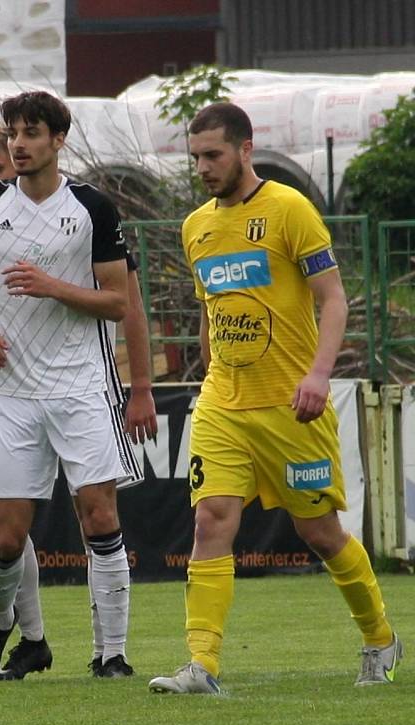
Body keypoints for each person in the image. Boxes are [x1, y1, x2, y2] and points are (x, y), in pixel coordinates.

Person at [148, 102, 402, 695]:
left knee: (320, 534)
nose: (203, 167)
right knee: (210, 520)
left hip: (291, 405)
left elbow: (333, 299)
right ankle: (202, 665)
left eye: (213, 155)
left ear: (244, 148)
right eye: (195, 158)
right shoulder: (196, 227)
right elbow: (211, 304)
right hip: (223, 405)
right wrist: (211, 360)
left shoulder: (290, 209)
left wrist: (318, 376)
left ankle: (379, 636)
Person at [0, 123, 157, 679]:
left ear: (58, 141)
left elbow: (124, 304)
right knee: (5, 536)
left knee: (99, 516)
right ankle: (8, 625)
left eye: (25, 140)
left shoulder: (91, 209)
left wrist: (140, 387)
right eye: (4, 150)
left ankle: (111, 654)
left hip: (83, 388)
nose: (13, 154)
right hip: (15, 393)